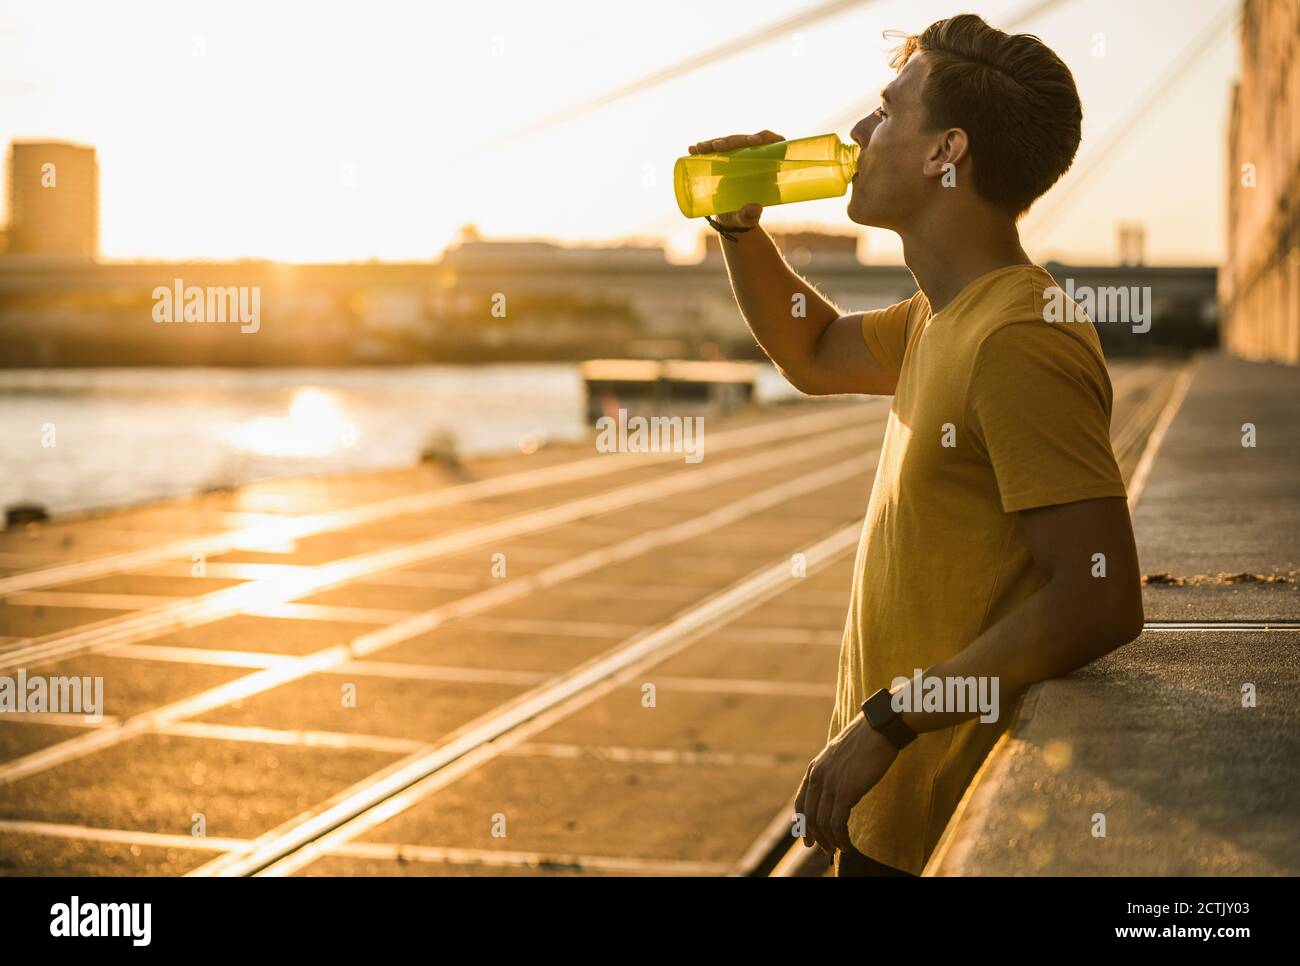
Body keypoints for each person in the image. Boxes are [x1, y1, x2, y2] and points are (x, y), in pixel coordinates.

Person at [688, 13, 1144, 877]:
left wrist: (897, 716)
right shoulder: (944, 315)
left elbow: (1101, 597)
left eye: (888, 111)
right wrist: (741, 232)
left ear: (948, 152)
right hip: (886, 811)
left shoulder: (1018, 336)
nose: (859, 131)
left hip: (938, 819)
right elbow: (813, 351)